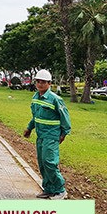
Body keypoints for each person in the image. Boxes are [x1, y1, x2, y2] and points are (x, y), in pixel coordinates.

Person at [23, 69, 71, 200]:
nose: (40, 84)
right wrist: (29, 128)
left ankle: (60, 190)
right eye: (38, 81)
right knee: (42, 163)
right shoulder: (35, 97)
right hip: (41, 135)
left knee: (50, 162)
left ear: (49, 83)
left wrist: (64, 133)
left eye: (43, 82)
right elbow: (36, 116)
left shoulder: (56, 99)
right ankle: (49, 189)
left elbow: (65, 118)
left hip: (51, 135)